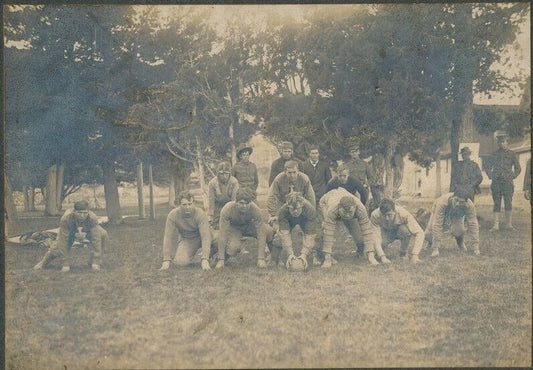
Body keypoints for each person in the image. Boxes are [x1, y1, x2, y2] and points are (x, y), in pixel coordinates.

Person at [33, 200, 108, 272]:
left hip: (87, 229)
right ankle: (43, 262)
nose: (82, 215)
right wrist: (65, 263)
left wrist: (96, 261)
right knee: (57, 247)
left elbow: (96, 239)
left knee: (103, 235)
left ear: (88, 212)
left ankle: (93, 260)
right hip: (70, 230)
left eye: (85, 213)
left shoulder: (92, 218)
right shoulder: (66, 218)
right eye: (79, 213)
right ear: (74, 211)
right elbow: (63, 241)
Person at [319, 187, 386, 267]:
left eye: (350, 212)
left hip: (343, 198)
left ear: (355, 208)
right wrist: (327, 260)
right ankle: (323, 256)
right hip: (326, 202)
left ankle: (362, 253)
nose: (347, 215)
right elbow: (328, 233)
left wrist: (371, 257)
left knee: (359, 236)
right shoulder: (332, 210)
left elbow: (367, 231)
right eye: (344, 212)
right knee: (326, 229)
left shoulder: (361, 209)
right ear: (339, 208)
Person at [216, 188, 277, 269]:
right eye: (241, 203)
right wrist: (221, 259)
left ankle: (273, 258)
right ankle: (220, 258)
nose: (244, 206)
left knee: (269, 231)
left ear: (250, 202)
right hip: (234, 228)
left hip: (249, 226)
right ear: (236, 202)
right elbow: (222, 234)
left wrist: (260, 258)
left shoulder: (255, 209)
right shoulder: (227, 209)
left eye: (247, 203)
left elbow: (261, 233)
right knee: (234, 247)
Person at [159, 191, 213, 271]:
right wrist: (166, 259)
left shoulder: (200, 214)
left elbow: (205, 237)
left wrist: (205, 259)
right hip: (188, 239)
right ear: (178, 205)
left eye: (190, 204)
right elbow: (167, 237)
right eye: (184, 205)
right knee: (180, 262)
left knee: (219, 239)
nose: (187, 207)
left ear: (193, 203)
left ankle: (210, 256)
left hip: (205, 235)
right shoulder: (173, 215)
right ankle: (197, 256)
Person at [424, 188, 480, 257]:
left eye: (461, 202)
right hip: (442, 209)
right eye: (456, 200)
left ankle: (460, 243)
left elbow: (473, 225)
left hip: (457, 213)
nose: (457, 204)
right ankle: (431, 242)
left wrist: (476, 248)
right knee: (429, 232)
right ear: (452, 197)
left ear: (466, 201)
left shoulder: (469, 205)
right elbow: (437, 224)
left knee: (459, 230)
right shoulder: (442, 202)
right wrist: (436, 249)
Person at [370, 198, 423, 263]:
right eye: (384, 215)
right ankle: (380, 253)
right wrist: (382, 256)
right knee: (375, 250)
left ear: (394, 211)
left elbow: (420, 233)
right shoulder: (375, 215)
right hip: (386, 232)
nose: (387, 218)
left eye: (389, 215)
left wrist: (415, 255)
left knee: (405, 230)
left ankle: (403, 254)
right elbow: (376, 236)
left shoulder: (403, 213)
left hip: (400, 230)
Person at [487, 133, 521, 231]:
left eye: (503, 142)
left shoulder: (512, 154)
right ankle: (496, 225)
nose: (502, 144)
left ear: (507, 142)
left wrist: (512, 176)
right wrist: (491, 176)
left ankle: (509, 224)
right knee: (496, 203)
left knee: (508, 202)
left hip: (507, 182)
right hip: (496, 182)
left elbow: (518, 168)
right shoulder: (494, 154)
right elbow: (487, 166)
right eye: (500, 142)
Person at [277, 192, 320, 268]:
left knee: (317, 235)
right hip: (289, 220)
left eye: (298, 208)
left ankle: (317, 255)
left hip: (304, 219)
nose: (295, 211)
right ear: (288, 206)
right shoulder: (283, 211)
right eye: (292, 209)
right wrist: (290, 254)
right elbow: (285, 234)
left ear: (302, 206)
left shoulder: (310, 209)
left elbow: (310, 235)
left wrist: (304, 254)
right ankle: (275, 257)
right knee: (278, 236)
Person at [208, 161, 239, 229]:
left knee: (231, 225)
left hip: (230, 205)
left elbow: (234, 200)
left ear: (229, 174)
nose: (224, 176)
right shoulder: (212, 183)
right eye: (221, 174)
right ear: (218, 174)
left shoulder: (234, 182)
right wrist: (210, 215)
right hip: (218, 206)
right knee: (216, 226)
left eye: (226, 174)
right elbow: (211, 200)